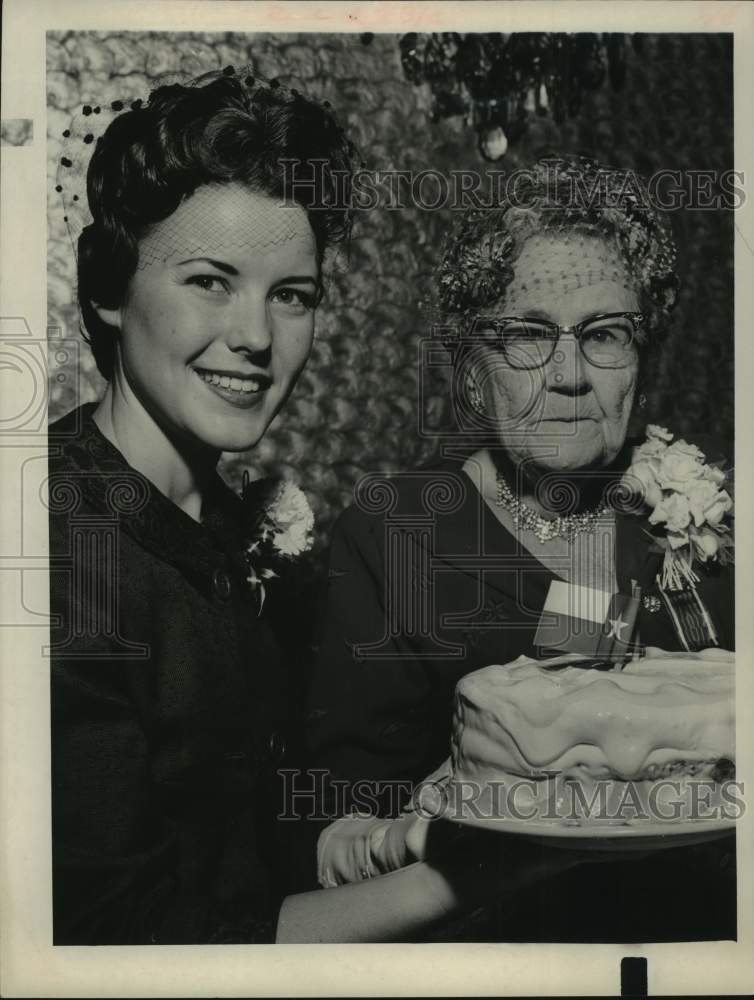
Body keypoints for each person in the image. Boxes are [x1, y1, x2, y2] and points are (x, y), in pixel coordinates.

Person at [49, 68, 577, 946]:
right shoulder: (53, 553)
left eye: (292, 295)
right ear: (108, 290)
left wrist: (399, 838)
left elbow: (251, 838)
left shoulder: (226, 531)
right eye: (210, 281)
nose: (256, 337)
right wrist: (469, 877)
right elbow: (117, 945)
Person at [305, 156, 736, 942]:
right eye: (530, 335)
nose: (570, 375)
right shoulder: (397, 534)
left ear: (641, 361)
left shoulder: (700, 522)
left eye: (605, 335)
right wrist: (436, 840)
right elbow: (335, 825)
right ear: (475, 370)